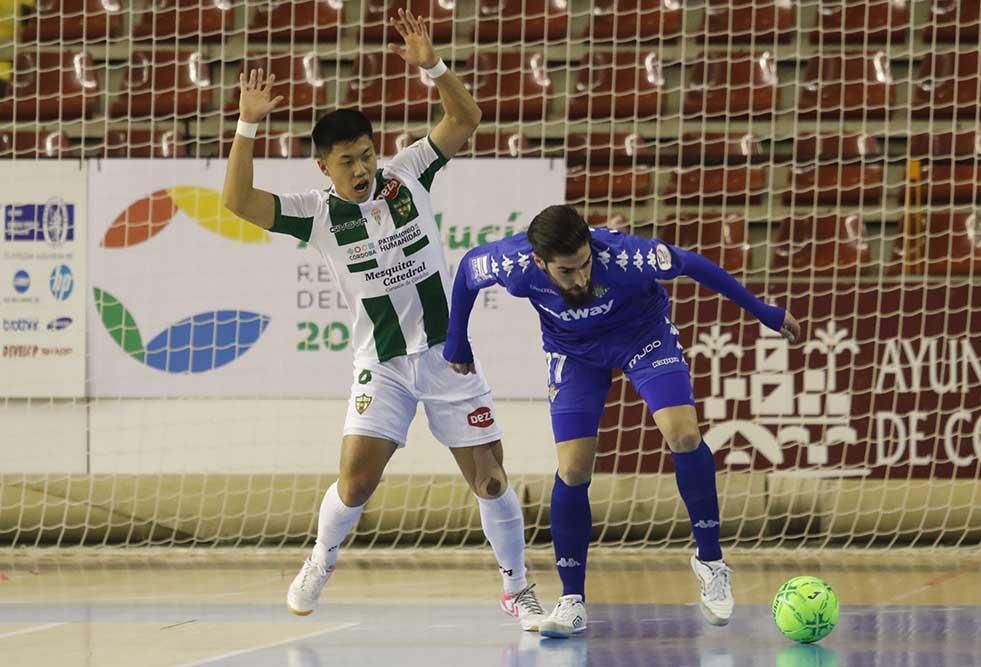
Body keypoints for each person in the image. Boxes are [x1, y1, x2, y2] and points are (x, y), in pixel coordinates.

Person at [220, 10, 545, 631]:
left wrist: (435, 67)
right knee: (356, 479)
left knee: (493, 479)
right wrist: (246, 126)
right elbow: (236, 201)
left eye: (366, 155)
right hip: (384, 366)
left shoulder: (408, 172)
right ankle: (321, 557)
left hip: (449, 355)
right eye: (347, 162)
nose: (363, 169)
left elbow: (466, 120)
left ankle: (518, 588)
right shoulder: (314, 214)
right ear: (324, 168)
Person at [444, 205, 802, 638]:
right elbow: (467, 270)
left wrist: (762, 310)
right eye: (566, 272)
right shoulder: (513, 264)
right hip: (573, 352)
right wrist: (456, 339)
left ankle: (710, 562)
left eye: (584, 265)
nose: (580, 279)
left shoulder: (624, 256)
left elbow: (692, 264)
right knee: (573, 468)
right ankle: (572, 599)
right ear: (539, 263)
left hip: (642, 337)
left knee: (684, 433)